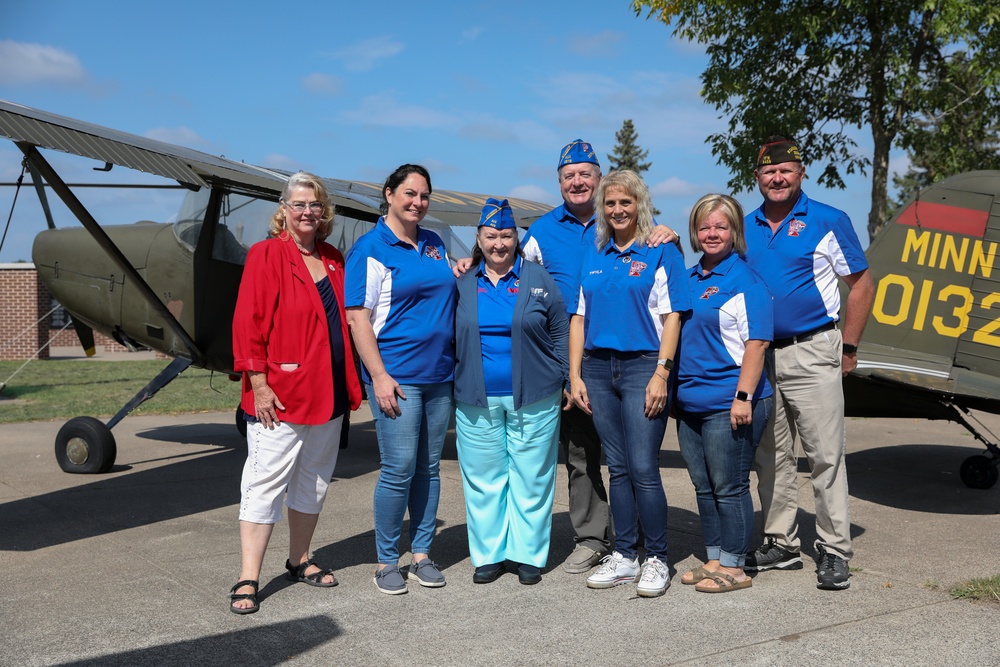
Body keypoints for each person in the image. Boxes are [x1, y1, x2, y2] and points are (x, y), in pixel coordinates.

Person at [743, 137, 875, 590]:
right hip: (761, 355)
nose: (777, 178)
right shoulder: (745, 227)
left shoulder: (827, 220)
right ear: (756, 177)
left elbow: (860, 283)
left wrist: (849, 348)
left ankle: (835, 548)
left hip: (813, 349)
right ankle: (780, 541)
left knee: (824, 455)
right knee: (771, 456)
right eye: (768, 171)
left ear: (801, 174)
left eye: (786, 170)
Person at [229, 171, 362, 615]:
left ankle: (299, 559)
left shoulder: (334, 258)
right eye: (299, 204)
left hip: (328, 395)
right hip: (280, 395)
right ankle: (248, 576)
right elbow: (247, 322)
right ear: (283, 210)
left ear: (324, 213)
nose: (308, 212)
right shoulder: (265, 255)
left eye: (315, 205)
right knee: (264, 483)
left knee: (314, 481)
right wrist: (259, 384)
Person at [569, 169, 691, 597]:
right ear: (602, 209)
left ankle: (657, 557)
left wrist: (662, 372)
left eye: (626, 202)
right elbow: (578, 318)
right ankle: (625, 554)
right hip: (599, 370)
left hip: (644, 367)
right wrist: (575, 374)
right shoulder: (594, 254)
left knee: (643, 467)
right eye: (610, 203)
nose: (618, 209)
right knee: (616, 468)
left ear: (639, 203)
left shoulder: (661, 251)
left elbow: (674, 315)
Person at [345, 164, 456, 595]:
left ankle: (422, 554)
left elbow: (444, 288)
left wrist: (463, 266)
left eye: (424, 196)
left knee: (429, 468)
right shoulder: (371, 248)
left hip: (439, 376)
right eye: (410, 193)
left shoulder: (433, 244)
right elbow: (358, 318)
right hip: (397, 377)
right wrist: (379, 376)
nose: (417, 202)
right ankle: (386, 562)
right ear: (389, 194)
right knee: (399, 468)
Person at [454, 198, 569, 586]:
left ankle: (527, 555)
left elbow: (560, 328)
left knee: (531, 477)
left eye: (506, 235)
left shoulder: (537, 278)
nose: (499, 244)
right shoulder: (464, 282)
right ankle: (489, 555)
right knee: (484, 478)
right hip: (476, 397)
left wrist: (565, 375)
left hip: (536, 394)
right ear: (478, 238)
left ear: (516, 237)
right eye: (491, 236)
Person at [673, 194, 773, 594]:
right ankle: (715, 557)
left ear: (735, 232)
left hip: (729, 402)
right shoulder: (688, 278)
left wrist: (743, 397)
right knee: (703, 485)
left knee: (729, 486)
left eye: (721, 226)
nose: (712, 233)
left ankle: (735, 565)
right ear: (695, 233)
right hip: (690, 404)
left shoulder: (746, 281)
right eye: (704, 227)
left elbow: (758, 345)